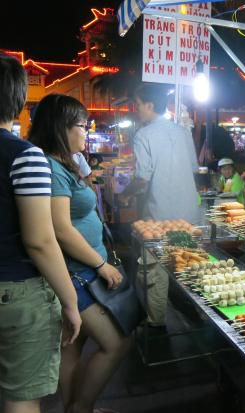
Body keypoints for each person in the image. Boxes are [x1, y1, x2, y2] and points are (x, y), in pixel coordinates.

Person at [29, 94, 129, 413]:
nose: (87, 132)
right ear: (61, 127)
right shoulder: (52, 167)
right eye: (81, 125)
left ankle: (72, 407)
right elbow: (60, 229)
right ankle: (81, 407)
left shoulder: (63, 163)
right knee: (117, 343)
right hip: (79, 274)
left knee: (72, 349)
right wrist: (101, 265)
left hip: (80, 271)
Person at [0, 53, 81, 413]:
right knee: (20, 395)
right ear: (19, 97)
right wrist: (70, 300)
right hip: (16, 294)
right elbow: (40, 239)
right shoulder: (24, 155)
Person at [121, 84, 200, 222]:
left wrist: (125, 194)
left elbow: (142, 179)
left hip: (159, 218)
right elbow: (194, 169)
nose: (136, 109)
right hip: (189, 215)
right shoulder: (184, 132)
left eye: (138, 104)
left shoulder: (143, 135)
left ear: (150, 106)